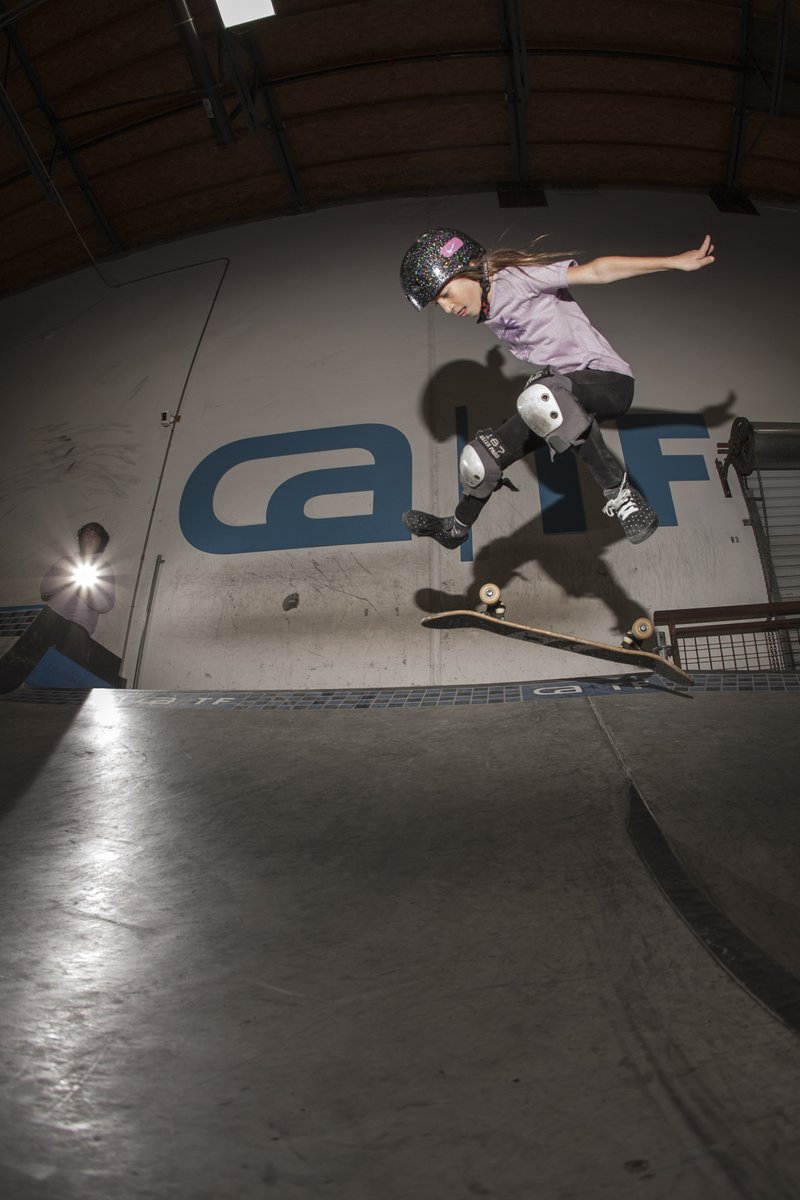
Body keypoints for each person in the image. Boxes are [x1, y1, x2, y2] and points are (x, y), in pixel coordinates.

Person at [399, 227, 715, 547]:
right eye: (439, 305)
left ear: (465, 268)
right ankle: (455, 529)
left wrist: (674, 262)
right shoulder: (490, 310)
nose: (449, 309)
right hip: (564, 393)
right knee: (480, 459)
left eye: (445, 294)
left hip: (609, 380)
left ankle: (623, 496)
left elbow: (597, 271)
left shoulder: (517, 278)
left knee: (542, 397)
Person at [0, 522, 119, 693]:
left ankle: (63, 701)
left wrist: (83, 586)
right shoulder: (66, 561)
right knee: (24, 651)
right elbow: (45, 590)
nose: (89, 537)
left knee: (68, 664)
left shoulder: (103, 568)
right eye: (86, 533)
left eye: (94, 534)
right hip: (52, 616)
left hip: (79, 624)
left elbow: (105, 605)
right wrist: (65, 579)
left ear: (101, 541)